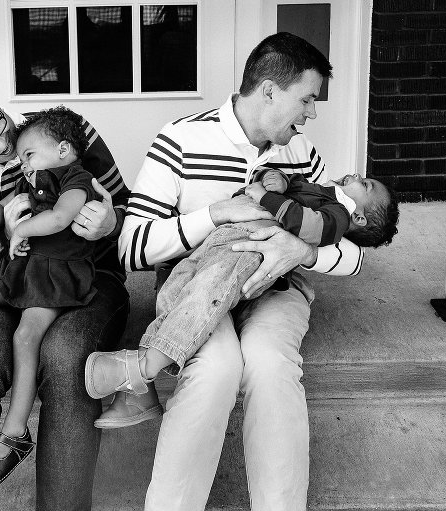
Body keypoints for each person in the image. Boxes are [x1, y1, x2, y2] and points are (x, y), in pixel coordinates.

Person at [113, 33, 367, 510]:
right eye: (307, 99)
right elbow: (132, 248)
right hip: (197, 287)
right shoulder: (181, 139)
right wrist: (215, 215)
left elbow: (353, 253)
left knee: (270, 365)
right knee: (216, 369)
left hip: (275, 289)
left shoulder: (301, 153)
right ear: (269, 90)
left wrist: (303, 253)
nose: (311, 114)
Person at [0, 79, 158, 510]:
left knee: (65, 356)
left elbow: (137, 214)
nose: (1, 143)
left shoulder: (59, 134)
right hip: (10, 284)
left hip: (88, 280)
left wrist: (112, 223)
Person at [86, 169, 399, 402]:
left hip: (249, 245)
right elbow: (293, 182)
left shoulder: (337, 215)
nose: (358, 174)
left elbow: (302, 223)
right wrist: (277, 178)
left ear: (359, 219)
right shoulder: (323, 190)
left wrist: (266, 196)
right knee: (178, 284)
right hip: (224, 236)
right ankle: (139, 392)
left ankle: (144, 367)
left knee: (205, 295)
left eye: (366, 184)